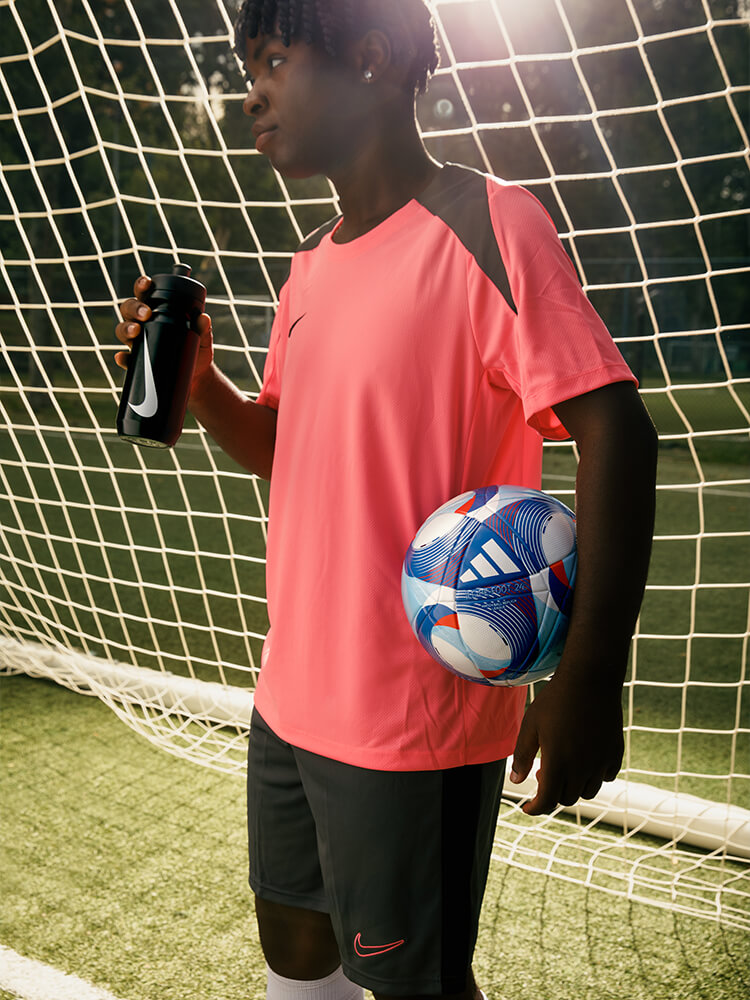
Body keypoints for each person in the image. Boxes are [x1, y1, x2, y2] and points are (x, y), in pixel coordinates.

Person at [115, 2, 658, 999]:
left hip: (413, 721)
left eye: (275, 59)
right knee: (295, 942)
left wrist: (588, 677)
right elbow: (290, 445)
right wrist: (204, 389)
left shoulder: (490, 221)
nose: (252, 91)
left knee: (415, 981)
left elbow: (618, 431)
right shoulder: (310, 263)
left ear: (368, 58)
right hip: (293, 691)